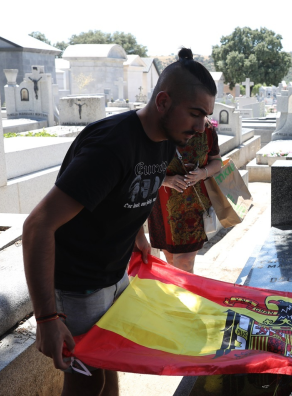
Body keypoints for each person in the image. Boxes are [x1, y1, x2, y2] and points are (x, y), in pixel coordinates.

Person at [21, 48, 216, 396]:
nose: (201, 127)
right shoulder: (111, 147)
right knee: (87, 382)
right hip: (78, 286)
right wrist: (47, 319)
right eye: (195, 114)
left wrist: (137, 234)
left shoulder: (165, 141)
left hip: (115, 275)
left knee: (110, 369)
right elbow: (38, 226)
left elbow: (128, 192)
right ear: (163, 101)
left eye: (206, 117)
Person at [147, 118, 222, 273]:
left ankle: (186, 295)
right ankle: (176, 295)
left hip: (194, 205)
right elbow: (138, 168)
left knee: (184, 262)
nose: (200, 125)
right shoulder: (157, 128)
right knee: (171, 259)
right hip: (162, 205)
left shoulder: (208, 130)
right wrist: (166, 180)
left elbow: (217, 162)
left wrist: (203, 173)